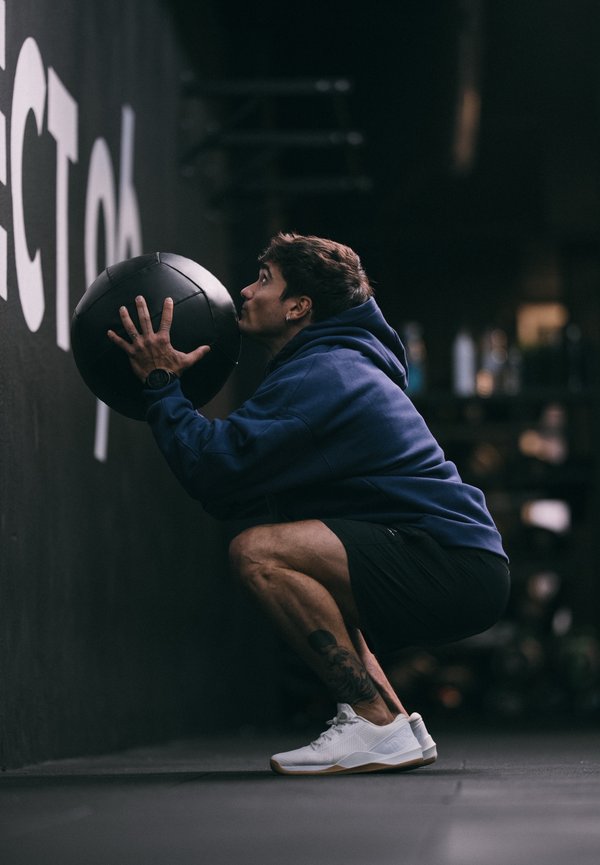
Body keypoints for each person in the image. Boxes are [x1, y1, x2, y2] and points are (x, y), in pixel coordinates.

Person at [108, 232, 510, 776]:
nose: (246, 291)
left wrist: (161, 383)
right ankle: (392, 722)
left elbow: (213, 469)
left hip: (450, 560)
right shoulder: (333, 365)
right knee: (302, 557)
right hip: (460, 562)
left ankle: (371, 720)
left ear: (299, 306)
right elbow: (230, 489)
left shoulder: (323, 374)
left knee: (260, 553)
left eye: (265, 280)